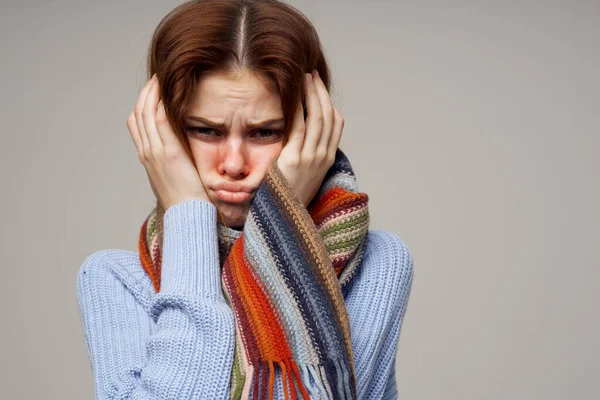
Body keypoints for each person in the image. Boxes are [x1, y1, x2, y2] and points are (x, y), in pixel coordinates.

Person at [75, 0, 414, 399]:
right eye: (205, 129)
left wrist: (278, 217)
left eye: (264, 132)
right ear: (162, 132)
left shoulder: (379, 264)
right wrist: (189, 213)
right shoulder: (115, 280)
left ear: (311, 130)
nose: (233, 164)